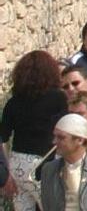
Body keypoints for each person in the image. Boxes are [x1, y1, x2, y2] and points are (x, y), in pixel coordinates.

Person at [3, 51, 68, 208]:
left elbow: (3, 138)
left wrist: (6, 171)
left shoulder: (13, 103)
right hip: (45, 162)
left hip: (18, 163)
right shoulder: (58, 98)